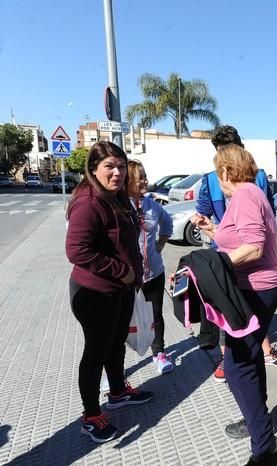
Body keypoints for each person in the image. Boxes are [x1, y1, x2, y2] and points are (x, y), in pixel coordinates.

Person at [191, 143, 277, 463]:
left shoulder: (246, 195)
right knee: (248, 360)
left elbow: (253, 247)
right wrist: (213, 230)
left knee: (235, 368)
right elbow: (240, 237)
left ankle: (265, 446)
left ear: (225, 171)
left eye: (216, 171)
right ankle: (258, 422)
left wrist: (213, 271)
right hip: (254, 289)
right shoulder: (247, 196)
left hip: (254, 290)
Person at [65, 142, 153, 443]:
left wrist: (135, 275)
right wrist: (122, 271)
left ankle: (117, 392)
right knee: (96, 352)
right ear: (93, 169)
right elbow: (76, 250)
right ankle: (91, 416)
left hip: (121, 290)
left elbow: (126, 243)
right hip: (94, 293)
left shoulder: (117, 198)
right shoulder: (89, 202)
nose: (117, 172)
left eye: (120, 166)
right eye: (109, 167)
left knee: (115, 344)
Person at [197, 125, 277, 385]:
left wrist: (213, 266)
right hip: (229, 256)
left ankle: (253, 359)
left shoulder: (253, 183)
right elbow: (203, 209)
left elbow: (257, 238)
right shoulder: (210, 179)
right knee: (238, 339)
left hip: (246, 270)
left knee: (244, 356)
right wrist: (213, 230)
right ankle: (228, 359)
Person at [127, 160, 174, 374]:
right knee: (123, 322)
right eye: (140, 177)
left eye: (145, 175)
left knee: (156, 315)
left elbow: (167, 222)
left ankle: (159, 354)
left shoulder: (151, 204)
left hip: (154, 272)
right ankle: (115, 370)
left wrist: (161, 243)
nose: (145, 180)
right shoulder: (118, 206)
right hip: (126, 277)